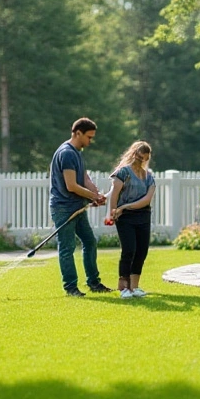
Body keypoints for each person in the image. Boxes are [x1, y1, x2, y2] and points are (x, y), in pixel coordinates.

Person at [49, 118, 113, 297]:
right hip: (64, 208)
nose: (90, 141)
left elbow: (84, 179)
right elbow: (71, 186)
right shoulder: (66, 153)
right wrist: (93, 197)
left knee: (90, 241)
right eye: (89, 137)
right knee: (67, 247)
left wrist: (96, 193)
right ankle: (71, 288)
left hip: (77, 206)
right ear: (78, 133)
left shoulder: (77, 153)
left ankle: (94, 283)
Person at [107, 141, 156, 299]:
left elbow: (147, 199)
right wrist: (113, 212)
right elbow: (114, 194)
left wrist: (126, 206)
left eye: (145, 159)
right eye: (139, 157)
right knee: (129, 250)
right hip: (125, 218)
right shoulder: (123, 172)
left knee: (141, 251)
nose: (141, 161)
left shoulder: (148, 177)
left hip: (143, 215)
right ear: (134, 154)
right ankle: (124, 288)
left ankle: (134, 287)